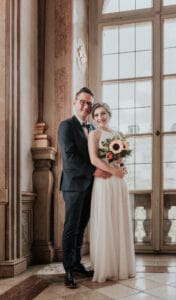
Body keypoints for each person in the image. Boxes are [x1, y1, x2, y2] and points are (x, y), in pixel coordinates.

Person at [58, 87, 110, 289]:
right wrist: (94, 172)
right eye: (83, 102)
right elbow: (70, 158)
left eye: (89, 103)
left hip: (91, 186)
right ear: (74, 102)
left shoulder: (91, 127)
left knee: (81, 227)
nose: (86, 106)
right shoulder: (66, 126)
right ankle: (68, 270)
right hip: (74, 186)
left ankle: (77, 263)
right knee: (71, 227)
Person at [88, 102, 136, 282]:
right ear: (94, 118)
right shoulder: (94, 134)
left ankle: (121, 265)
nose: (100, 117)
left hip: (119, 183)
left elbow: (122, 159)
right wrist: (113, 171)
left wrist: (122, 168)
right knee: (106, 220)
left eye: (102, 114)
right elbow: (93, 159)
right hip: (104, 181)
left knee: (119, 219)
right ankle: (106, 266)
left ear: (109, 114)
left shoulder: (119, 135)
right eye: (96, 115)